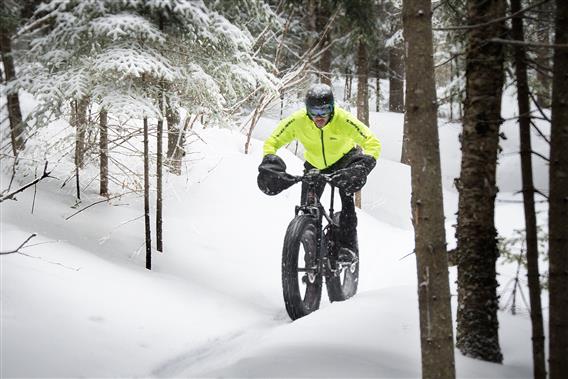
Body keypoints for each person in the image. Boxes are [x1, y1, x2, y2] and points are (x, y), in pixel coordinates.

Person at [257, 83, 381, 261]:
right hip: (315, 164)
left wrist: (362, 166)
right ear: (307, 110)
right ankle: (311, 251)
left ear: (332, 108)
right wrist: (269, 159)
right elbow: (272, 140)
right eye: (314, 112)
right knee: (306, 209)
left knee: (347, 199)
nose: (319, 117)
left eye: (324, 111)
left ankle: (347, 247)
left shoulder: (343, 120)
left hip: (344, 160)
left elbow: (372, 141)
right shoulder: (298, 120)